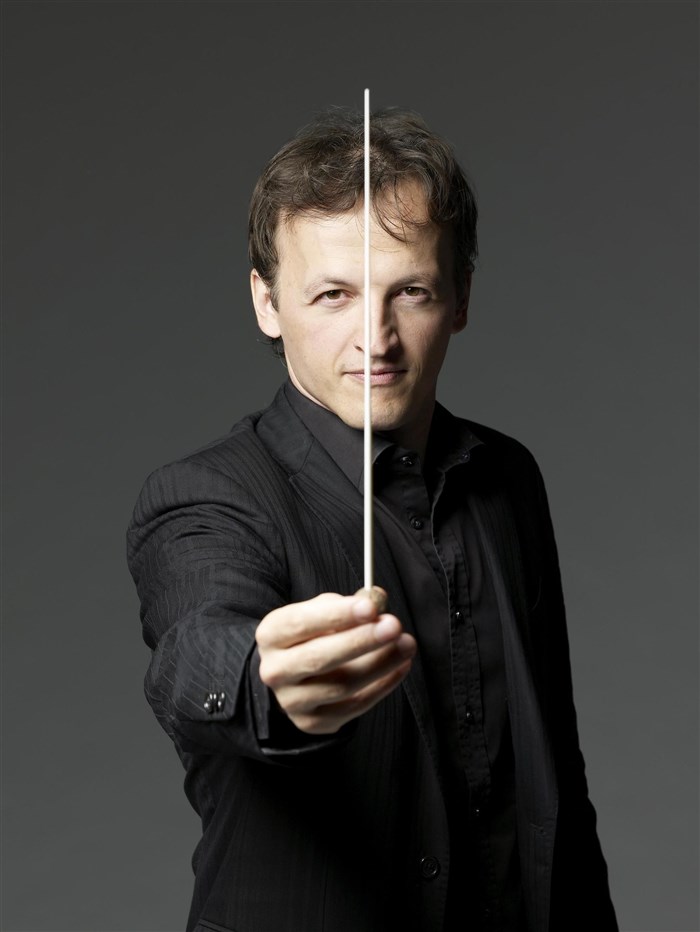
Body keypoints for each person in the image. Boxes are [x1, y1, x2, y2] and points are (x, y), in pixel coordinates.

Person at [127, 107, 618, 932]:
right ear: (266, 303)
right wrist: (264, 681)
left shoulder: (508, 479)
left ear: (460, 298)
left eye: (410, 291)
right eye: (333, 295)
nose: (376, 339)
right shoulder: (205, 494)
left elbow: (557, 777)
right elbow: (193, 651)